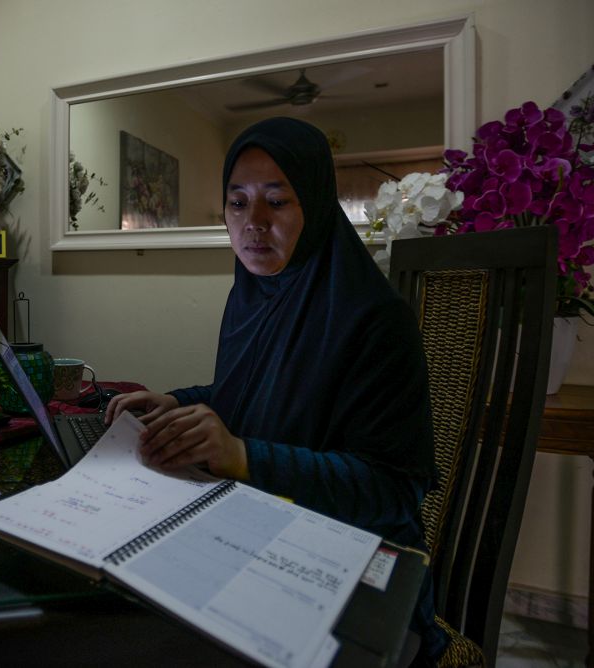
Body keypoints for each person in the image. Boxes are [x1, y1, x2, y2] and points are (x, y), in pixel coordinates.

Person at [105, 117, 448, 665]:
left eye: (277, 202)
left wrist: (240, 454)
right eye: (237, 203)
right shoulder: (255, 294)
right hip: (263, 532)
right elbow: (262, 392)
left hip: (356, 569)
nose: (254, 224)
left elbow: (391, 490)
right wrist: (181, 400)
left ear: (314, 206)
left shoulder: (376, 319)